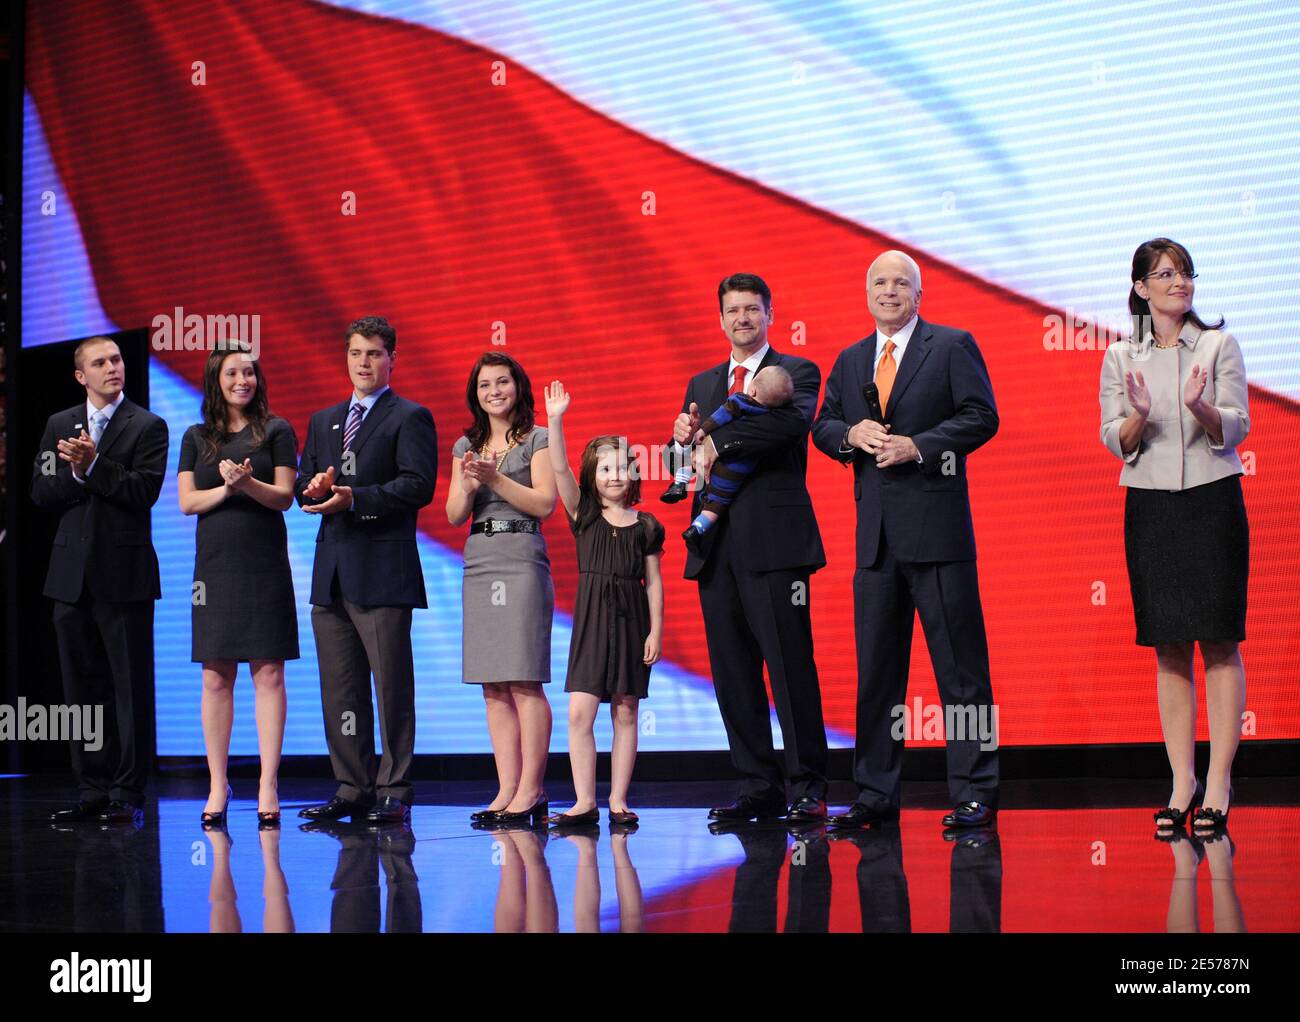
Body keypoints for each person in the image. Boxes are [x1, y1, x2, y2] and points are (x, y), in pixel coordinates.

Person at [812, 250, 1000, 829]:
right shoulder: (849, 360)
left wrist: (918, 445)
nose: (889, 290)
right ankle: (874, 793)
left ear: (920, 296)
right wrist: (851, 434)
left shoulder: (950, 346)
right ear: (866, 293)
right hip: (875, 544)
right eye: (879, 282)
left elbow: (981, 416)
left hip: (938, 537)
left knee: (962, 672)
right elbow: (822, 426)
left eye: (901, 283)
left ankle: (976, 790)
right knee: (877, 673)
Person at [665, 272, 829, 823]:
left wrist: (715, 438)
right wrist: (679, 441)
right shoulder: (702, 382)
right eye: (732, 310)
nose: (742, 318)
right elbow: (683, 464)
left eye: (752, 310)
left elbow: (788, 430)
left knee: (790, 667)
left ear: (770, 314)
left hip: (776, 547)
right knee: (733, 673)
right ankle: (757, 785)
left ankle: (807, 785)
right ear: (720, 318)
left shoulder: (797, 371)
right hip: (715, 548)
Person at [1099, 238, 1250, 834]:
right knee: (1167, 646)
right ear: (1141, 288)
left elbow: (1236, 425)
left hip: (1212, 504)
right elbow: (1115, 438)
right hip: (1151, 509)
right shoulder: (1118, 356)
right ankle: (1181, 782)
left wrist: (1200, 407)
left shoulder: (1218, 345)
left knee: (1217, 641)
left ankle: (1219, 783)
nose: (1179, 282)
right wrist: (1139, 414)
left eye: (1185, 272)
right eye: (1165, 274)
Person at [295, 316, 438, 825]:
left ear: (392, 359)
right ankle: (352, 785)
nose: (364, 363)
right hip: (331, 571)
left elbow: (417, 486)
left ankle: (394, 787)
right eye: (356, 353)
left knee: (391, 686)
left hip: (383, 570)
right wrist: (312, 492)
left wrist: (356, 498)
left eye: (374, 353)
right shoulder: (323, 419)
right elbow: (305, 484)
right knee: (341, 689)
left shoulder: (410, 416)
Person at [31, 335, 168, 824]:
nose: (112, 367)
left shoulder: (148, 425)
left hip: (124, 574)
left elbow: (142, 490)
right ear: (80, 375)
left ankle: (126, 793)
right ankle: (90, 789)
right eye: (100, 362)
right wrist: (76, 474)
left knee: (128, 688)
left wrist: (93, 467)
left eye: (116, 359)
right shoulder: (58, 425)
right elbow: (42, 491)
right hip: (69, 579)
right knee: (80, 691)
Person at [177, 347, 299, 828]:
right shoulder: (195, 436)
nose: (243, 380)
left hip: (264, 564)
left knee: (268, 673)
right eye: (232, 373)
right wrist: (228, 488)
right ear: (215, 380)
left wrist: (249, 485)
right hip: (215, 568)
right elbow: (188, 502)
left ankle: (268, 781)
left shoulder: (277, 430)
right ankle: (217, 782)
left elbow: (285, 497)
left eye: (249, 372)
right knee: (215, 676)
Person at [544, 380, 665, 826]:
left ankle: (617, 799)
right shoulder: (586, 515)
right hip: (593, 619)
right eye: (605, 469)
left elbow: (653, 582)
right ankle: (582, 800)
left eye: (622, 468)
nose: (615, 476)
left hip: (631, 618)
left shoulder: (647, 524)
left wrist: (656, 630)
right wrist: (556, 421)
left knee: (627, 708)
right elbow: (558, 472)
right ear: (592, 477)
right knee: (580, 710)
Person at [447, 352, 557, 827]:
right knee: (493, 685)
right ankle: (506, 787)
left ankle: (532, 789)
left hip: (521, 556)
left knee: (523, 679)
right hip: (480, 559)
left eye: (502, 382)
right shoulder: (464, 446)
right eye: (485, 384)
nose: (494, 391)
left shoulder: (538, 439)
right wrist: (472, 485)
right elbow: (453, 514)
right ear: (475, 393)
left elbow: (545, 503)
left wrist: (496, 479)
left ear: (518, 387)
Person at [664, 365, 795, 555]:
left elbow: (720, 417)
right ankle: (697, 529)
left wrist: (705, 435)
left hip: (768, 541)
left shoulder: (799, 370)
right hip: (737, 473)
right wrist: (684, 440)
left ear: (752, 389)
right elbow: (677, 452)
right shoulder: (699, 382)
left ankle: (679, 484)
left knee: (695, 461)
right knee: (716, 503)